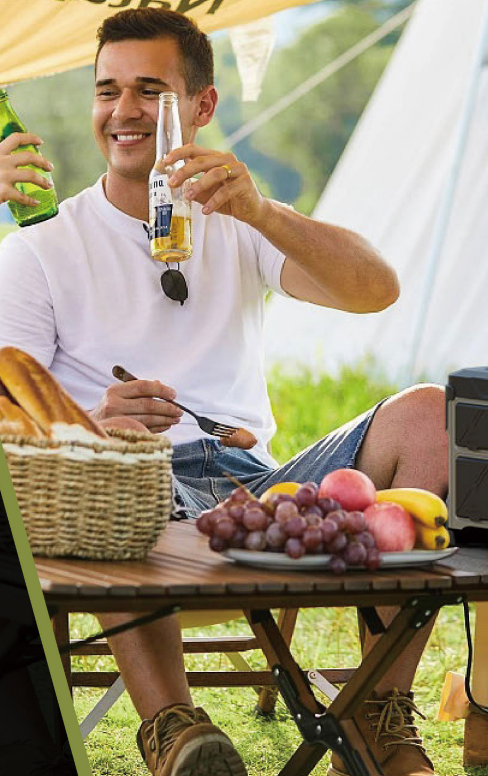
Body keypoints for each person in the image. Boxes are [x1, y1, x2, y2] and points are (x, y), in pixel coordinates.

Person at [0, 9, 448, 776]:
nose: (124, 111)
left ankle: (376, 710)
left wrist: (263, 210)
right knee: (115, 477)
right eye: (108, 90)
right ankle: (174, 727)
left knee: (431, 415)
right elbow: (14, 422)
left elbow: (375, 290)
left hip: (255, 491)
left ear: (201, 108)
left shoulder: (236, 221)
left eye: (150, 90)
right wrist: (94, 420)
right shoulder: (40, 249)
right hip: (121, 490)